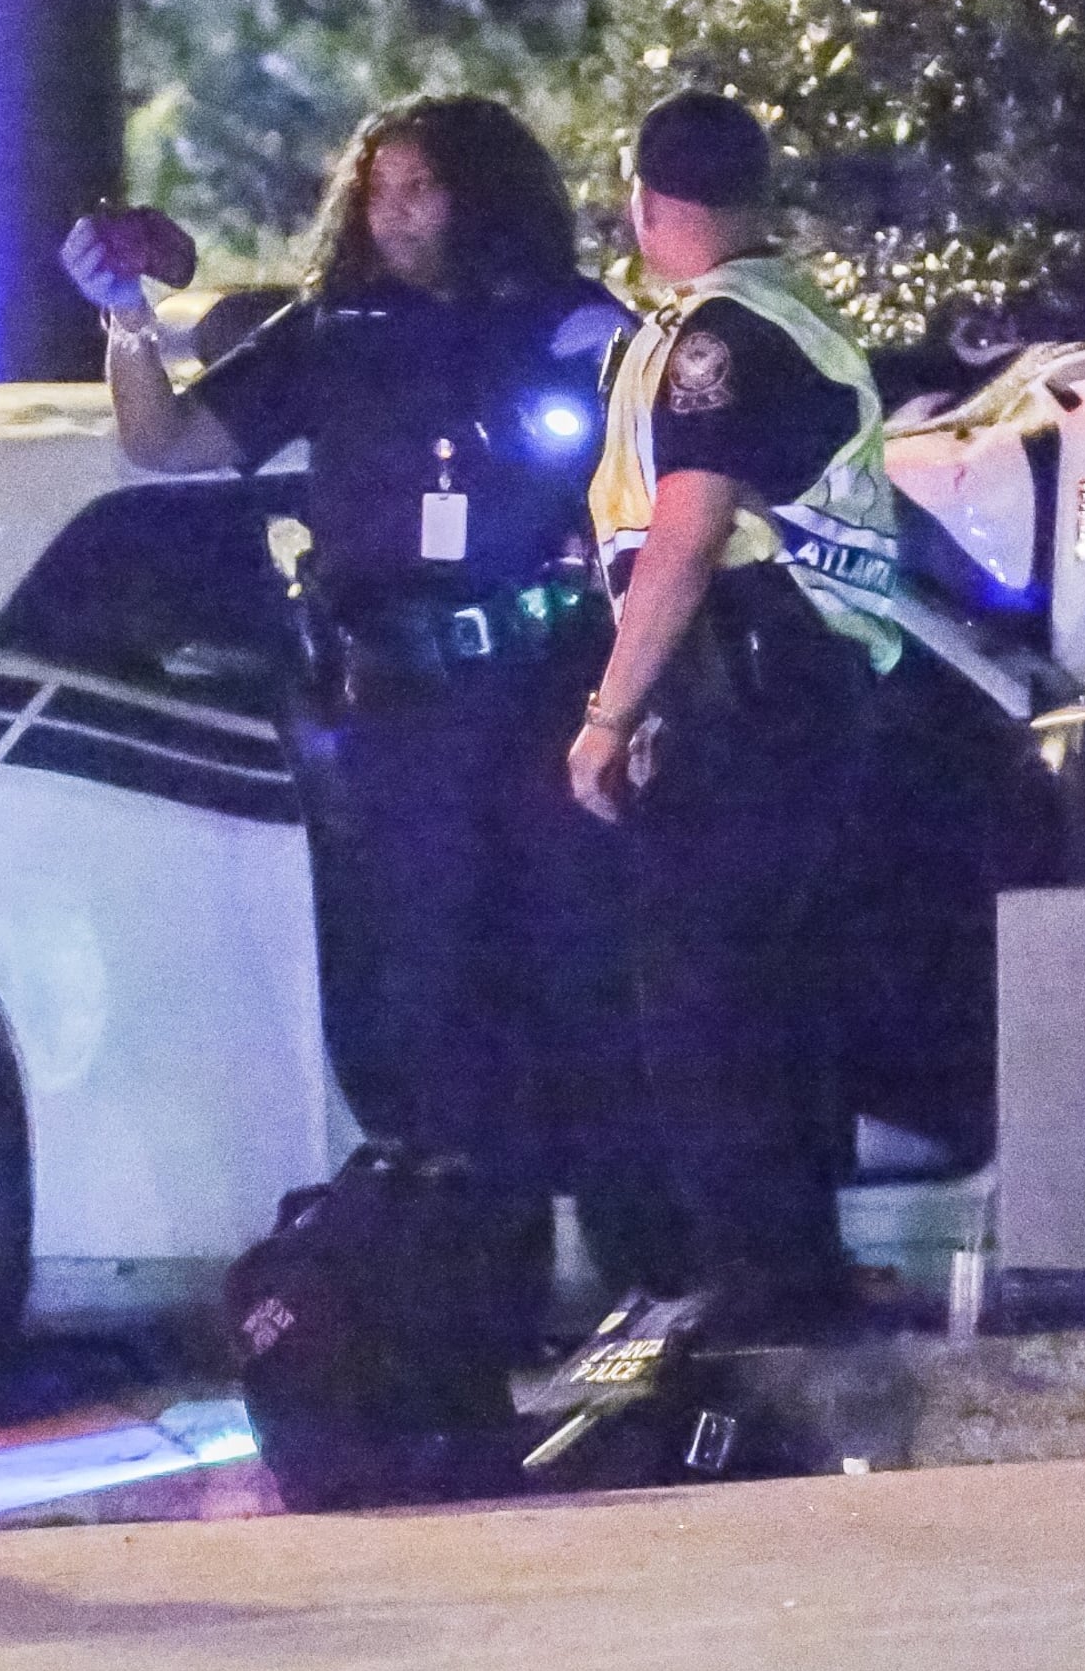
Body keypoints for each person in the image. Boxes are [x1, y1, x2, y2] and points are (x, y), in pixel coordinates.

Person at [65, 93, 631, 1275]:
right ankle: (471, 1287)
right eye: (378, 189)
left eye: (420, 186)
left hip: (542, 690)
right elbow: (164, 443)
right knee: (426, 1005)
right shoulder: (331, 336)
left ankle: (636, 1268)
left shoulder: (571, 322)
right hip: (398, 707)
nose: (393, 210)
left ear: (483, 192)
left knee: (575, 982)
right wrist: (128, 324)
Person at [559, 91, 905, 1343]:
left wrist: (612, 710)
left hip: (752, 681)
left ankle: (760, 1283)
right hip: (788, 689)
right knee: (766, 986)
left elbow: (691, 532)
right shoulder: (786, 318)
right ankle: (793, 1270)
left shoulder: (718, 337)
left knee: (703, 995)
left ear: (649, 201)